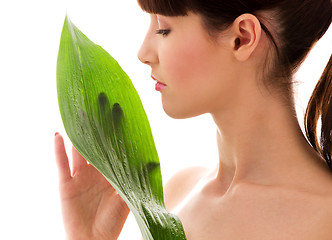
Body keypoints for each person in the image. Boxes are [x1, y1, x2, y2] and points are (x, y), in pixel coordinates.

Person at [54, 0, 332, 239]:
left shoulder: (325, 219)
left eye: (163, 29)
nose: (143, 53)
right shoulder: (176, 194)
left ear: (242, 38)